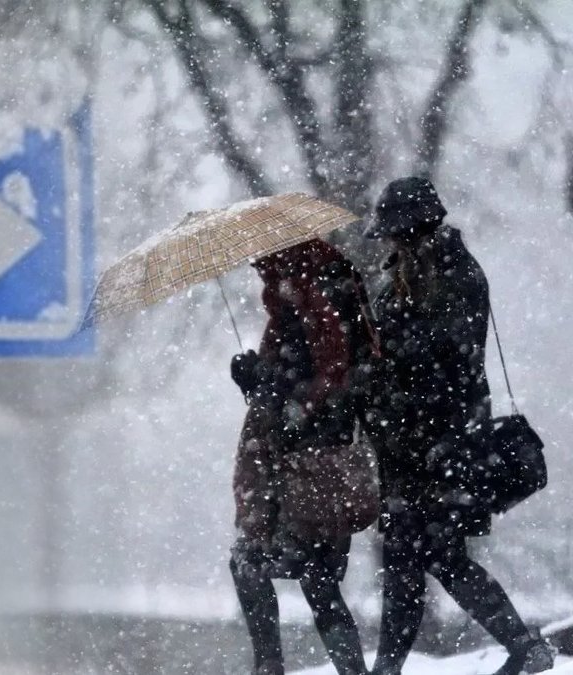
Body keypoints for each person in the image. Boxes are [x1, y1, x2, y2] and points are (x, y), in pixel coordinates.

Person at [363, 177, 554, 675]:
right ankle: (517, 646)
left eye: (394, 235)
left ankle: (518, 646)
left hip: (442, 445)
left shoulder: (457, 276)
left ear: (413, 230)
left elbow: (451, 365)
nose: (388, 244)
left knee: (428, 557)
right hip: (409, 447)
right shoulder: (402, 279)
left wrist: (387, 364)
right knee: (419, 561)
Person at [229, 238, 376, 675]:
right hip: (311, 467)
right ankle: (328, 670)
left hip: (311, 469)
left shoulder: (313, 299)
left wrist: (278, 393)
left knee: (269, 567)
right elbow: (300, 380)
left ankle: (270, 667)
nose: (258, 269)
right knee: (310, 577)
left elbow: (324, 382)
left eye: (262, 260)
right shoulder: (305, 299)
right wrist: (256, 380)